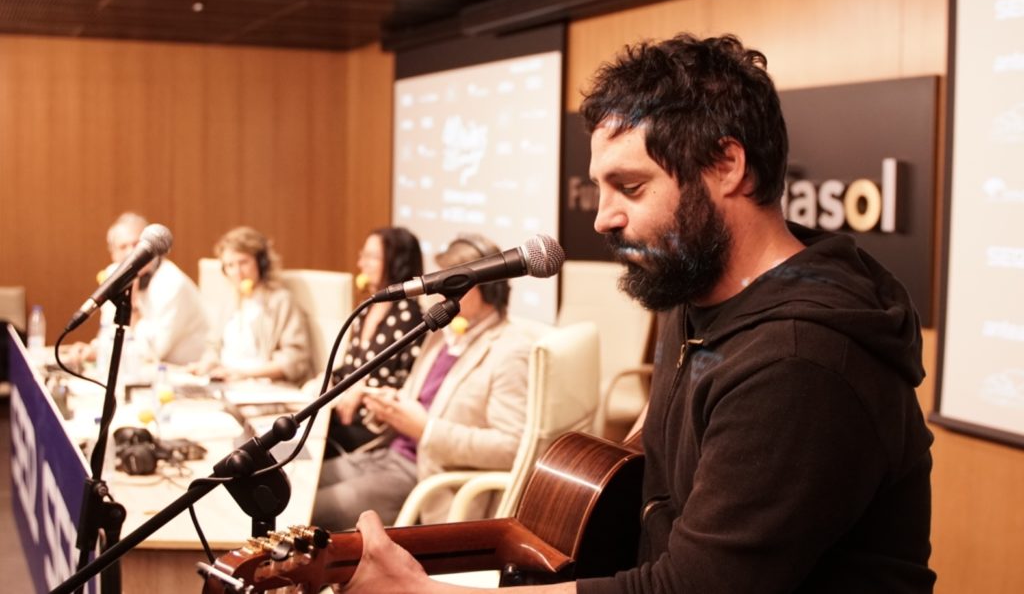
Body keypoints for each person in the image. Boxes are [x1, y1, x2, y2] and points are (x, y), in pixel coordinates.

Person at [339, 34, 936, 593]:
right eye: (601, 188)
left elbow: (686, 588)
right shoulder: (699, 297)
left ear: (726, 165)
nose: (602, 218)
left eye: (630, 187)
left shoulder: (802, 363)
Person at [312, 233, 532, 529]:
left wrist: (426, 429)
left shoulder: (510, 351)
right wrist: (388, 405)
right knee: (295, 485)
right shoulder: (444, 334)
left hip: (426, 474)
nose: (444, 293)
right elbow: (416, 400)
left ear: (487, 288)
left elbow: (512, 447)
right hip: (387, 453)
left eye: (457, 284)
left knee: (310, 511)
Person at [326, 227, 427, 455]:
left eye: (372, 257)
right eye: (363, 256)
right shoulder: (365, 309)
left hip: (374, 426)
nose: (362, 264)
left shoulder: (409, 317)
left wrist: (363, 392)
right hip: (342, 415)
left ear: (396, 262)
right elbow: (351, 369)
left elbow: (408, 385)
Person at [68, 212, 208, 368]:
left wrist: (133, 309)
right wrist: (95, 349)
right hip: (141, 371)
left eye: (136, 245)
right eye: (123, 247)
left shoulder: (172, 283)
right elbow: (110, 330)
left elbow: (152, 351)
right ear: (113, 254)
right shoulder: (113, 275)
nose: (131, 253)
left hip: (183, 374)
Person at [190, 226, 312, 384]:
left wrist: (246, 374)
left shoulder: (281, 301)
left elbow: (295, 360)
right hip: (226, 382)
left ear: (261, 263)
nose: (237, 273)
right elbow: (214, 346)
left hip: (262, 387)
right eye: (230, 266)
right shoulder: (228, 301)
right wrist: (206, 365)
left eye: (243, 263)